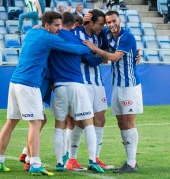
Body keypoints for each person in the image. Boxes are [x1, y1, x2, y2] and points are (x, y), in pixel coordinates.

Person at [0, 11, 92, 176]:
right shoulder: (48, 37)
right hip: (28, 84)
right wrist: (89, 48)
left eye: (60, 25)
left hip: (15, 82)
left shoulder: (33, 31)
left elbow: (36, 31)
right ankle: (35, 163)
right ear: (47, 25)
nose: (59, 29)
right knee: (36, 122)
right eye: (56, 25)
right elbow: (73, 49)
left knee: (12, 122)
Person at [83, 10, 143, 173]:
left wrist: (95, 48)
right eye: (108, 22)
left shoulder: (127, 37)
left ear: (120, 20)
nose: (111, 25)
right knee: (120, 123)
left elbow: (115, 57)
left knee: (129, 122)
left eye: (113, 21)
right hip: (117, 85)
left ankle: (131, 163)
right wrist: (84, 19)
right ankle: (130, 162)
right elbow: (91, 27)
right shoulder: (107, 34)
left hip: (130, 86)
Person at [49, 11, 106, 173]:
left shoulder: (50, 38)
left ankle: (60, 162)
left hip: (59, 86)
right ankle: (92, 160)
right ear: (73, 24)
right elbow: (91, 60)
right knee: (89, 123)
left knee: (60, 125)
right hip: (77, 85)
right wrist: (100, 57)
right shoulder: (78, 40)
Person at [66, 9, 114, 171]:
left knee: (100, 118)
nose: (103, 27)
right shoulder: (76, 34)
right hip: (82, 83)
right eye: (100, 24)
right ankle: (71, 159)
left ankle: (96, 158)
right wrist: (101, 56)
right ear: (91, 22)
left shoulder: (99, 36)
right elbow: (92, 61)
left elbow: (106, 52)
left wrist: (98, 52)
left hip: (97, 82)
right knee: (79, 121)